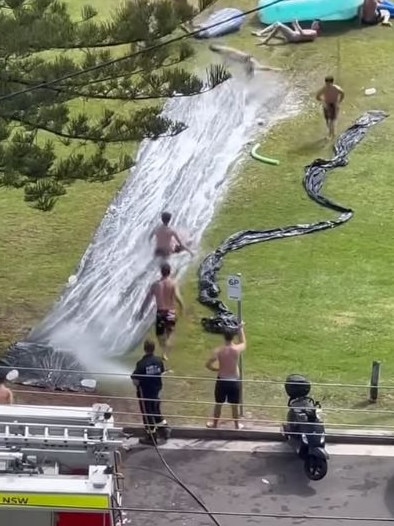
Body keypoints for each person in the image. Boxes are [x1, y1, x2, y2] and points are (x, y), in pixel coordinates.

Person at [138, 262, 184, 360]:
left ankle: (164, 350)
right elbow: (178, 297)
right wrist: (182, 307)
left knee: (159, 335)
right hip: (171, 311)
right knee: (170, 333)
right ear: (169, 272)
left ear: (161, 272)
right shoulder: (173, 283)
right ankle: (165, 353)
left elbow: (147, 299)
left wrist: (142, 310)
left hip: (160, 312)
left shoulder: (155, 285)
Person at [205, 323, 246, 430]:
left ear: (224, 337)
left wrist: (216, 369)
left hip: (222, 380)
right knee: (234, 405)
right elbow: (243, 342)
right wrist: (241, 329)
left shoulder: (219, 351)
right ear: (233, 337)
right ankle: (237, 425)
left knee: (218, 404)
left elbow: (208, 364)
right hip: (234, 381)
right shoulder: (236, 350)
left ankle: (214, 424)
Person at [131, 339, 170, 445]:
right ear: (154, 348)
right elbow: (161, 372)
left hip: (145, 394)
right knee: (156, 411)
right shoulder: (158, 361)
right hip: (156, 391)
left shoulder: (141, 364)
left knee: (147, 415)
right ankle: (164, 430)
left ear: (144, 349)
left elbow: (135, 381)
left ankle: (151, 437)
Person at [209, 44, 283, 79]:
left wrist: (246, 57)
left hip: (247, 60)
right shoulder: (223, 52)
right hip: (245, 61)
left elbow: (236, 53)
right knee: (249, 76)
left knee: (259, 68)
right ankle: (275, 71)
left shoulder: (225, 51)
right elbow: (226, 62)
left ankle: (277, 70)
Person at [253, 20, 321, 45]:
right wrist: (294, 25)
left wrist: (297, 24)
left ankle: (266, 40)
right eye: (313, 23)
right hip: (293, 34)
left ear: (318, 27)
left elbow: (302, 34)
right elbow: (299, 32)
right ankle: (261, 33)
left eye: (315, 24)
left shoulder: (314, 33)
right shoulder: (311, 30)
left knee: (279, 26)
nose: (313, 24)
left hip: (293, 37)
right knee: (277, 23)